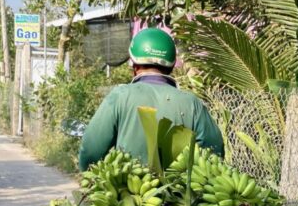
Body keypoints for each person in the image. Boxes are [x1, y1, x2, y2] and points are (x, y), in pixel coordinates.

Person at [78, 27, 224, 171]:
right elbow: (214, 153)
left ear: (134, 65)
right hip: (180, 193)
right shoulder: (192, 103)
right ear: (172, 67)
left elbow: (91, 150)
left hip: (128, 191)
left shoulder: (120, 96)